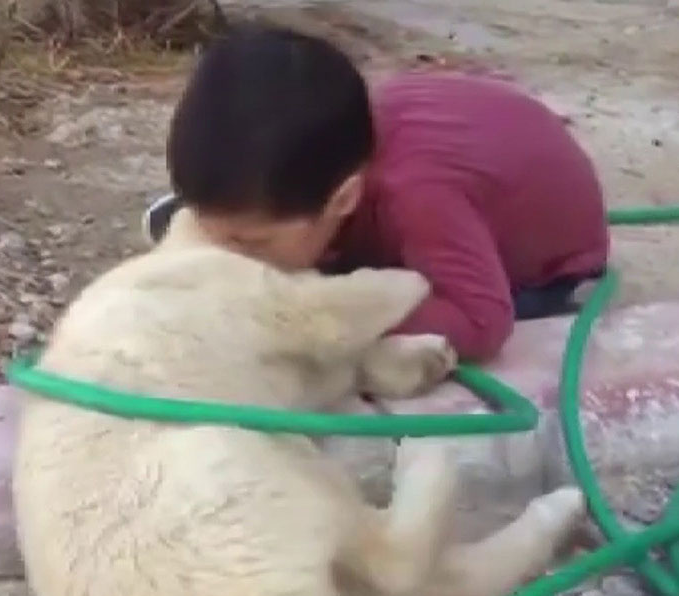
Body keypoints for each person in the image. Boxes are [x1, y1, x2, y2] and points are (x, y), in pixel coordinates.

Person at [142, 23, 610, 363]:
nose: (231, 256)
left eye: (252, 241)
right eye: (220, 234)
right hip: (443, 187)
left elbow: (484, 322)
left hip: (541, 272)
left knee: (328, 305)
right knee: (301, 265)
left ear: (343, 198)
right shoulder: (331, 142)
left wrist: (332, 317)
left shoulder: (415, 196)